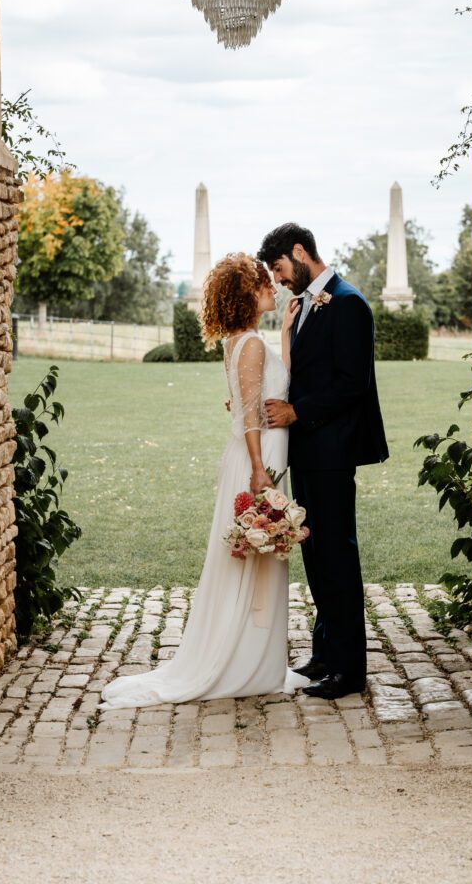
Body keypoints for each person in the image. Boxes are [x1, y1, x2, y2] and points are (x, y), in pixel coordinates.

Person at [98, 253, 309, 710]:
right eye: (265, 284)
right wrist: (258, 470)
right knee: (255, 559)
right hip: (257, 462)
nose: (274, 288)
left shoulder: (243, 341)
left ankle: (257, 660)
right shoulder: (249, 344)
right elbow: (251, 415)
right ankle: (242, 662)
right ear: (249, 293)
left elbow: (265, 391)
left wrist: (288, 334)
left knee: (259, 559)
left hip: (259, 456)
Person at [257, 223, 389, 700]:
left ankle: (349, 670)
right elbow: (303, 376)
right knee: (314, 554)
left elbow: (352, 383)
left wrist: (299, 412)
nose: (279, 279)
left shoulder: (348, 302)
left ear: (299, 252)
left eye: (279, 268)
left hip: (332, 453)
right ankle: (325, 653)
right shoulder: (308, 304)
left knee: (337, 556)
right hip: (307, 454)